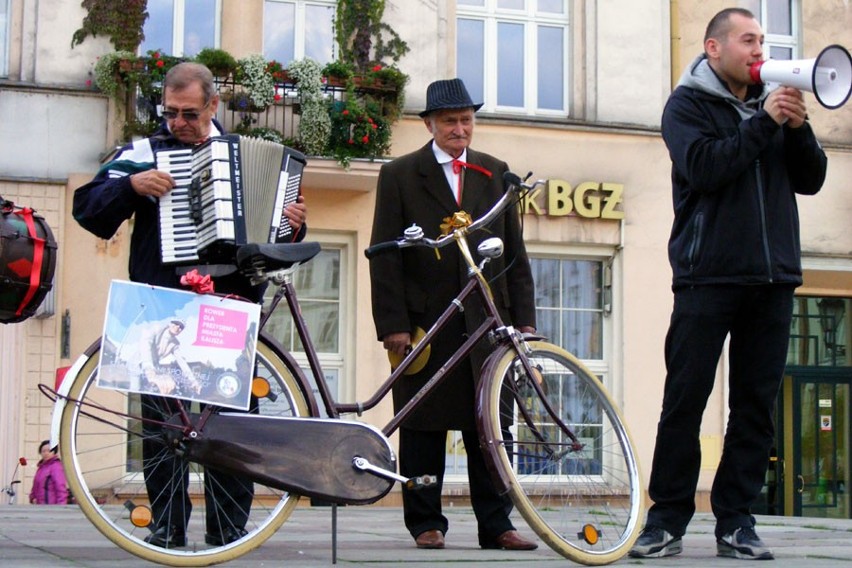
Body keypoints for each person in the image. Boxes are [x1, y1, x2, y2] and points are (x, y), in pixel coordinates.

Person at [73, 62, 307, 549]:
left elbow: (271, 238)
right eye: (171, 112)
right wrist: (129, 187)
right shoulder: (141, 153)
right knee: (162, 421)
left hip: (229, 305)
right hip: (163, 305)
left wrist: (292, 223)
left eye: (190, 114)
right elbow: (87, 207)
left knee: (231, 422)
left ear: (213, 106)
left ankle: (228, 527)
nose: (178, 123)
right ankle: (167, 525)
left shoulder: (244, 154)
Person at [629, 8, 828, 561]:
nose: (759, 48)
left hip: (773, 277)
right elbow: (706, 168)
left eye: (763, 40)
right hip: (707, 275)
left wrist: (798, 127)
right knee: (685, 400)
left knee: (756, 406)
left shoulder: (775, 106)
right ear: (714, 49)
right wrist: (763, 122)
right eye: (748, 40)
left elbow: (811, 180)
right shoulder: (687, 104)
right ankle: (666, 518)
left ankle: (737, 521)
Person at [368, 78, 538, 551]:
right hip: (427, 322)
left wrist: (524, 322)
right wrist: (393, 326)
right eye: (449, 121)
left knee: (491, 427)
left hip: (488, 323)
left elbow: (515, 255)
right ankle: (426, 523)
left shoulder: (496, 172)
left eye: (466, 120)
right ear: (429, 124)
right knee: (423, 426)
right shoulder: (401, 174)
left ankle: (497, 525)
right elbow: (384, 255)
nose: (459, 129)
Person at [29, 440, 69, 505]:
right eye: (43, 451)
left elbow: (61, 488)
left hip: (51, 508)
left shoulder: (56, 467)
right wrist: (32, 498)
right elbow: (35, 487)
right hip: (40, 507)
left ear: (54, 452)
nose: (46, 453)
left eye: (49, 451)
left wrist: (61, 507)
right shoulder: (41, 468)